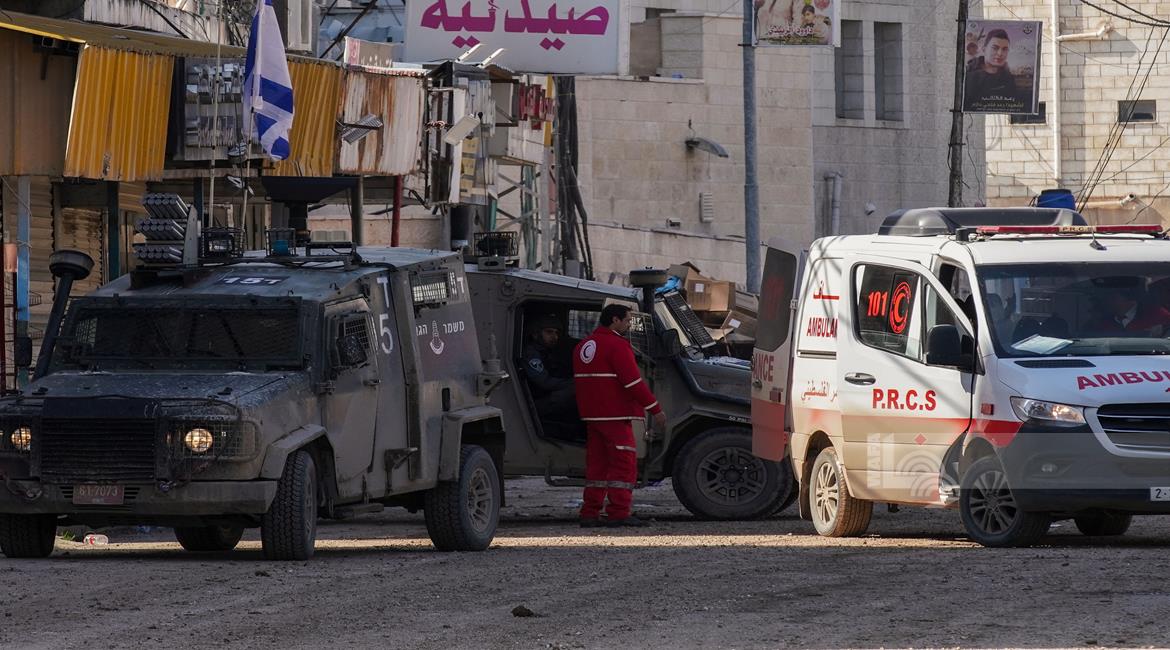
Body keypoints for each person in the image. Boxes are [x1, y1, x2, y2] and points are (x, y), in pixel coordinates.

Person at [572, 304, 667, 528]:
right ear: (614, 320)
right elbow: (633, 383)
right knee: (624, 465)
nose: (628, 325)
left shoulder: (583, 346)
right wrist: (655, 408)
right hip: (615, 415)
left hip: (592, 416)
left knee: (597, 466)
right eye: (626, 320)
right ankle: (618, 512)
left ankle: (590, 512)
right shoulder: (617, 345)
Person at [521, 314, 580, 437]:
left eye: (556, 333)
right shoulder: (531, 354)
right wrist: (573, 382)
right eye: (549, 332)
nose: (555, 337)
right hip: (535, 404)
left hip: (547, 398)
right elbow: (544, 382)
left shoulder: (548, 351)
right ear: (535, 334)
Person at [964, 29, 1018, 108]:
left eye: (1004, 49)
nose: (1000, 54)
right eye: (995, 48)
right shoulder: (969, 75)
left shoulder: (1008, 78)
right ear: (984, 49)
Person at [1091, 285, 1170, 337]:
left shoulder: (1157, 315)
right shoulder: (1104, 323)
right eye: (1108, 297)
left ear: (1131, 299)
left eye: (1114, 297)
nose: (1109, 301)